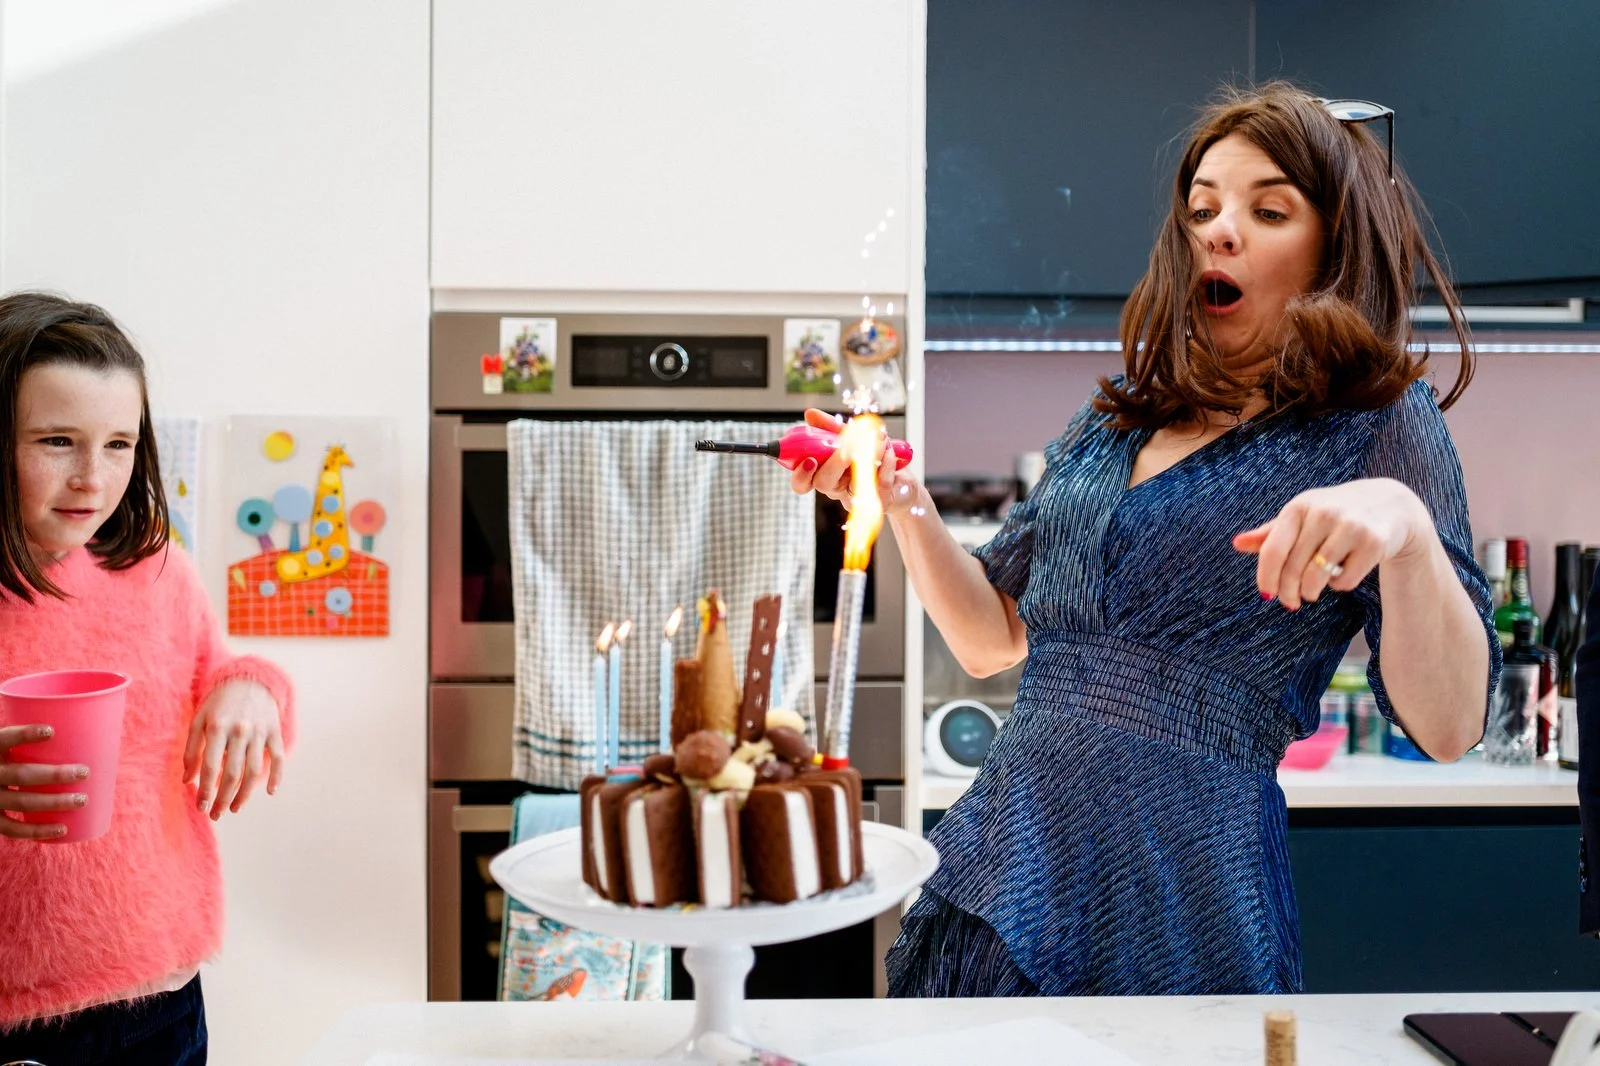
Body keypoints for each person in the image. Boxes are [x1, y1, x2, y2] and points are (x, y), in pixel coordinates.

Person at [794, 82, 1500, 996]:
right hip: (1006, 875)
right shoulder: (1114, 419)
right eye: (1202, 207)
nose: (1219, 229)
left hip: (1186, 903)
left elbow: (1450, 728)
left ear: (1334, 242)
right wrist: (899, 496)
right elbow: (988, 637)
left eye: (1268, 209)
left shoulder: (1374, 421)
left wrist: (1406, 532)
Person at [0, 292, 295, 1062]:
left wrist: (252, 686)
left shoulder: (154, 567)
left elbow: (220, 668)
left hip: (162, 1000)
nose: (92, 479)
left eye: (119, 444)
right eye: (58, 441)